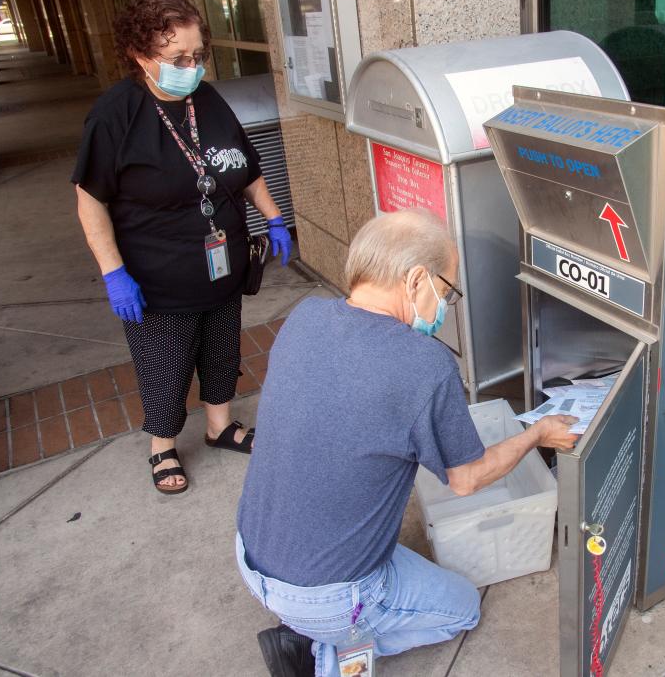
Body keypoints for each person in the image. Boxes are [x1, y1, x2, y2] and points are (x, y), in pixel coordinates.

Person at [236, 210, 579, 676]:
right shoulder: (424, 364)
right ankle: (324, 650)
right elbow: (467, 478)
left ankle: (310, 625)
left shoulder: (306, 316)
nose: (446, 304)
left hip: (252, 555)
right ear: (416, 279)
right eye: (448, 291)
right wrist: (539, 432)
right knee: (462, 609)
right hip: (328, 594)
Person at [72, 0, 293, 494]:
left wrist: (275, 218)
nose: (191, 68)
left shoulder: (207, 100)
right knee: (166, 362)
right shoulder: (115, 114)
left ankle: (220, 426)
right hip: (157, 274)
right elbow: (90, 200)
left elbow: (246, 166)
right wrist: (112, 272)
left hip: (221, 265)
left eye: (198, 56)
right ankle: (163, 444)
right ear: (139, 54)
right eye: (177, 59)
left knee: (220, 347)